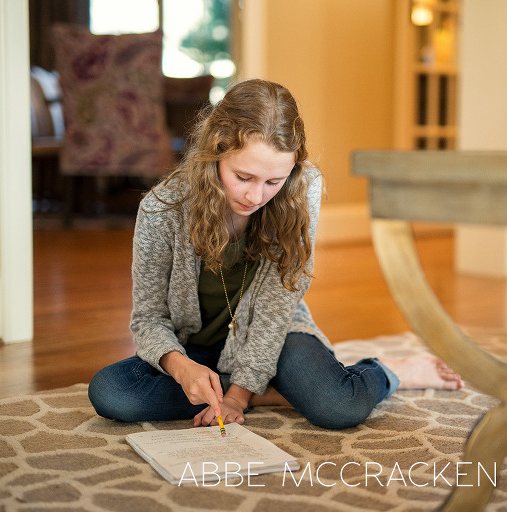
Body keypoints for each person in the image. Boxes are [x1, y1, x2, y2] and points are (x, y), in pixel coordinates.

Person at [87, 79, 463, 430]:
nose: (255, 197)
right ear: (215, 152)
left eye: (273, 181)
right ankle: (272, 393)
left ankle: (389, 370)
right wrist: (182, 368)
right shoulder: (162, 208)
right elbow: (149, 318)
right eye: (243, 177)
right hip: (193, 345)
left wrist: (237, 396)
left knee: (337, 406)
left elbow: (276, 307)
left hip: (275, 333)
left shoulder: (304, 189)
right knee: (110, 392)